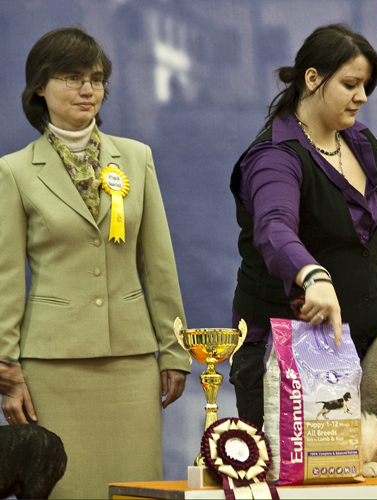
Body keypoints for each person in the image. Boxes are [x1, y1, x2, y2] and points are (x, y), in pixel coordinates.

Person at [229, 24, 377, 430]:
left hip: (369, 348)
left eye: (366, 85)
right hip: (288, 354)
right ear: (312, 78)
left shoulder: (362, 141)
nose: (362, 97)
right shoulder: (274, 157)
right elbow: (274, 228)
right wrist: (313, 276)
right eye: (350, 84)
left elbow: (367, 227)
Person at [0, 27, 190, 499]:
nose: (87, 89)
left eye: (96, 78)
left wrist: (175, 349)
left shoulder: (137, 158)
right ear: (39, 87)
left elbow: (159, 265)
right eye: (72, 77)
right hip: (51, 366)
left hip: (131, 364)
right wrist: (7, 371)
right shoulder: (14, 171)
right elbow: (7, 278)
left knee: (134, 490)